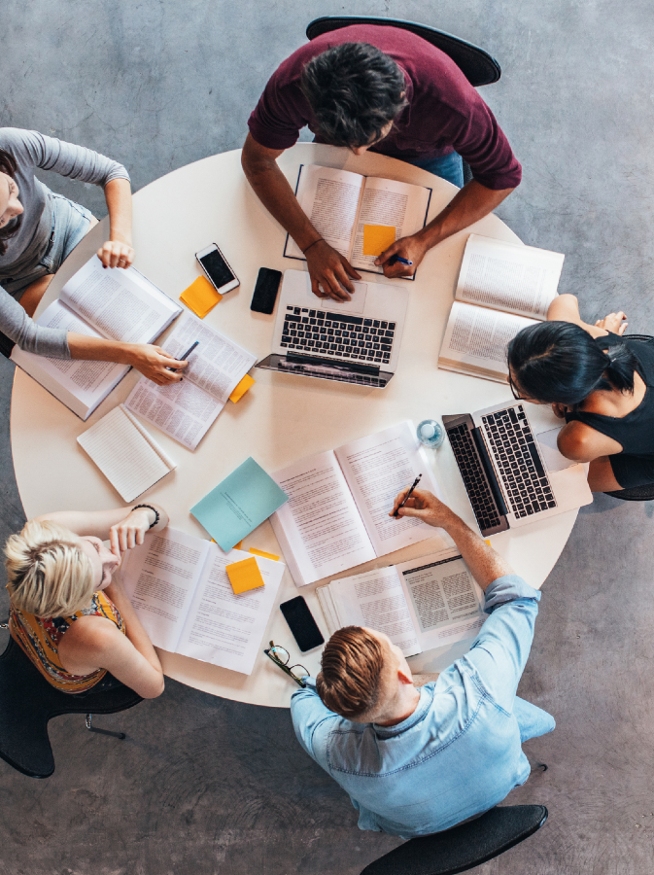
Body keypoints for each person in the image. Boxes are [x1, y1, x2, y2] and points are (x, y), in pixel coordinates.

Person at [290, 488, 554, 838]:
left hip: (418, 827)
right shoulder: (479, 690)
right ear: (404, 673)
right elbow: (517, 600)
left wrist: (322, 686)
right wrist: (450, 521)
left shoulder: (337, 752)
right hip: (503, 778)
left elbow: (302, 701)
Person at [242, 25, 521, 301]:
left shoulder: (454, 105)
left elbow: (503, 177)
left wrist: (424, 240)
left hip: (430, 154)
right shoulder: (292, 83)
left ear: (401, 100)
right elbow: (257, 161)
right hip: (338, 147)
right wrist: (311, 244)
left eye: (369, 139)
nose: (359, 154)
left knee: (435, 273)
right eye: (350, 143)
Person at [0, 128, 185, 385]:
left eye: (11, 187)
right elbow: (29, 336)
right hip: (21, 281)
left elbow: (111, 172)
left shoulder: (10, 144)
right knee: (83, 340)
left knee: (146, 296)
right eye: (2, 218)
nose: (19, 209)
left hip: (67, 229)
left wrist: (120, 238)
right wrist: (129, 354)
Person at [5, 503, 167, 698]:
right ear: (79, 602)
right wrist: (116, 589)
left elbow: (159, 514)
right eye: (101, 577)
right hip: (73, 671)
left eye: (95, 545)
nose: (113, 559)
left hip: (24, 629)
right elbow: (154, 687)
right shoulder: (98, 636)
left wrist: (143, 516)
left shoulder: (44, 534)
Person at [507, 294, 654, 493]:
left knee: (563, 484)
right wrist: (606, 334)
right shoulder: (595, 337)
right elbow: (565, 300)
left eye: (519, 390)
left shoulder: (577, 440)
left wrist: (569, 415)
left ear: (555, 400)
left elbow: (576, 444)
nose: (508, 380)